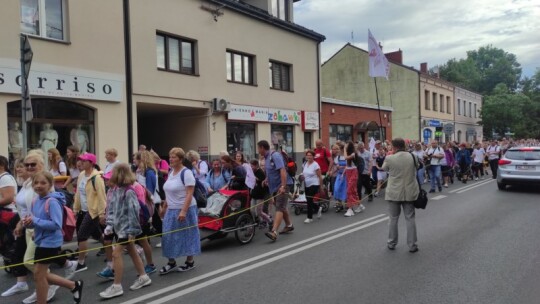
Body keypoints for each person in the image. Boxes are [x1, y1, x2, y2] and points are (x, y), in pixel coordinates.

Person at [23, 171, 83, 304]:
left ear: (50, 184)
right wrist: (29, 224)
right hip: (41, 240)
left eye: (43, 183)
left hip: (50, 241)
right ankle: (73, 285)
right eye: (36, 183)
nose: (38, 185)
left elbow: (56, 224)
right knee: (40, 274)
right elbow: (36, 220)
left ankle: (44, 300)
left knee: (39, 275)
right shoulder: (35, 200)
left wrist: (35, 220)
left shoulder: (52, 202)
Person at [99, 164, 152, 299]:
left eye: (114, 173)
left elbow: (134, 214)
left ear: (120, 174)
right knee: (133, 252)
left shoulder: (129, 191)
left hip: (126, 230)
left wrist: (132, 232)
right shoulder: (117, 190)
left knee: (116, 254)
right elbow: (112, 209)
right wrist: (109, 225)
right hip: (119, 228)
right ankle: (143, 277)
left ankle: (117, 286)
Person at [159, 148, 201, 275]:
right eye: (170, 157)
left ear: (181, 159)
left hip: (186, 209)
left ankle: (190, 261)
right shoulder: (171, 172)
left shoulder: (186, 173)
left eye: (174, 157)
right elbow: (168, 192)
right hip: (171, 209)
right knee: (167, 236)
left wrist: (183, 211)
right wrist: (165, 207)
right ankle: (171, 262)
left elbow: (189, 193)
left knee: (187, 235)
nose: (170, 159)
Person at [381, 138, 420, 253]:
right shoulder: (413, 156)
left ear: (395, 147)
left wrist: (389, 155)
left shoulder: (389, 158)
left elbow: (384, 168)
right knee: (410, 218)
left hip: (394, 192)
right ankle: (412, 245)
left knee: (393, 219)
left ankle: (392, 242)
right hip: (409, 191)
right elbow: (417, 167)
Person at [73, 153, 107, 272]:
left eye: (83, 161)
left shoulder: (97, 178)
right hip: (83, 210)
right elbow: (78, 193)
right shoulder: (81, 175)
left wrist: (102, 214)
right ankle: (110, 249)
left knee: (82, 235)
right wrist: (75, 208)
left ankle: (81, 263)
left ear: (91, 163)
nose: (80, 163)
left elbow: (102, 197)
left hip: (93, 211)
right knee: (97, 234)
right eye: (79, 161)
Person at [258, 140, 294, 241]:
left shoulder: (275, 155)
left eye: (258, 148)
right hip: (274, 187)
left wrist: (283, 186)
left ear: (262, 148)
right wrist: (266, 179)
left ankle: (273, 232)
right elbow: (271, 171)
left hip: (282, 185)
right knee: (281, 206)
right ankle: (289, 225)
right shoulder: (266, 158)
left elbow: (282, 170)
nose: (258, 151)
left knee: (279, 207)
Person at [301, 150, 323, 223]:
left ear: (313, 156)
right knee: (308, 200)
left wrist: (321, 187)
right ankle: (318, 208)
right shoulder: (305, 164)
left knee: (309, 200)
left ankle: (309, 217)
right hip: (306, 184)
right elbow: (304, 174)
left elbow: (320, 176)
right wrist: (301, 177)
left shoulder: (315, 165)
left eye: (310, 155)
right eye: (308, 155)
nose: (309, 157)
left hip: (314, 184)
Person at [343, 142, 364, 217]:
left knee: (349, 190)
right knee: (353, 191)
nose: (345, 146)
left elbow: (345, 157)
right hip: (348, 172)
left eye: (347, 145)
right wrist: (343, 173)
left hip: (353, 172)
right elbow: (347, 165)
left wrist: (344, 149)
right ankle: (359, 205)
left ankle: (350, 209)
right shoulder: (349, 154)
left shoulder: (353, 154)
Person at [249, 159, 271, 226]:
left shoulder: (260, 172)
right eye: (250, 166)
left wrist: (256, 179)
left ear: (256, 166)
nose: (251, 168)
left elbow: (263, 183)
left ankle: (269, 220)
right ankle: (256, 222)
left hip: (260, 196)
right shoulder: (252, 172)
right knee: (252, 210)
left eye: (252, 166)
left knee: (259, 212)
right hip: (254, 195)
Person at [333, 142, 347, 212]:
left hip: (346, 175)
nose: (340, 151)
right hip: (339, 174)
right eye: (339, 149)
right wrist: (332, 171)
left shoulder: (346, 156)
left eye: (341, 149)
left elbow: (348, 166)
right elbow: (336, 166)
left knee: (345, 190)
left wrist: (342, 166)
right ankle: (340, 204)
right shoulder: (338, 157)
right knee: (336, 189)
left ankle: (347, 205)